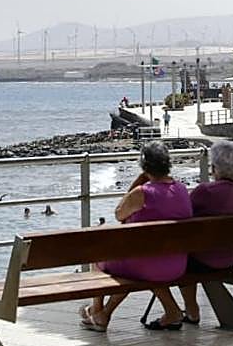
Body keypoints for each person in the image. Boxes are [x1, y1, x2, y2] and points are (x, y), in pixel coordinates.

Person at [80, 142, 192, 332]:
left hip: (145, 266)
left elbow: (119, 214)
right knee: (143, 260)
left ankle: (98, 311)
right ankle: (103, 314)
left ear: (144, 166)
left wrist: (137, 183)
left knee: (97, 255)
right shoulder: (181, 189)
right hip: (176, 264)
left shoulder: (142, 193)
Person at [148, 142, 233, 329]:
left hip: (203, 261)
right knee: (190, 251)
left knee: (179, 257)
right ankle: (191, 310)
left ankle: (186, 310)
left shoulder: (205, 191)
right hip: (229, 259)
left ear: (213, 166)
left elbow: (182, 212)